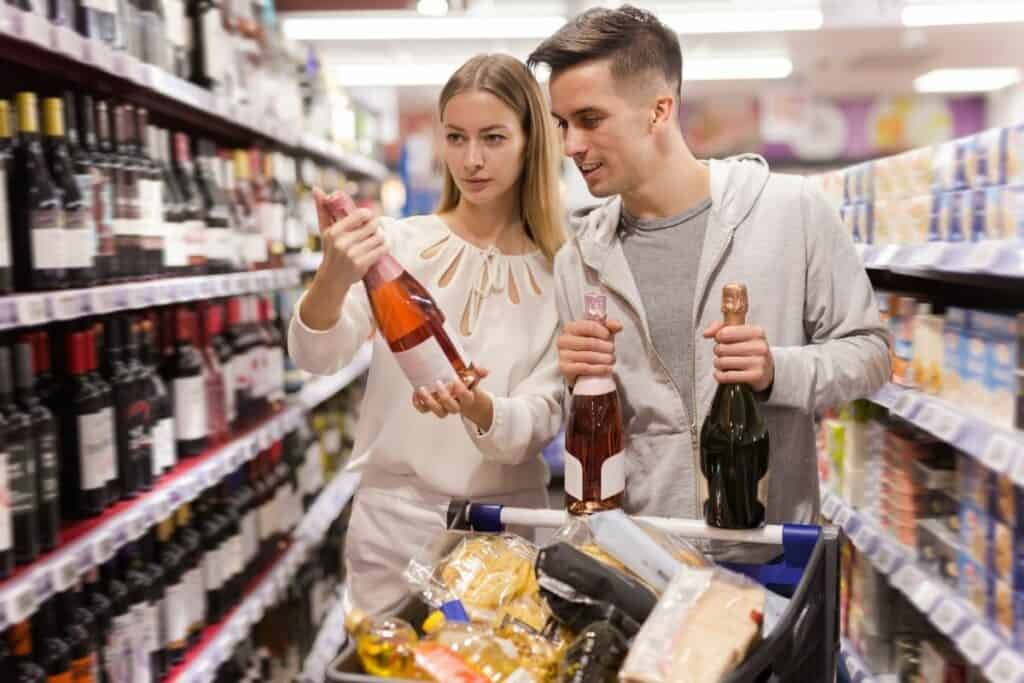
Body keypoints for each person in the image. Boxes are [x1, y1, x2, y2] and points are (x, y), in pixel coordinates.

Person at [528, 5, 890, 527]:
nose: (571, 146)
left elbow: (872, 354)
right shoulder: (578, 259)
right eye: (563, 124)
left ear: (658, 110)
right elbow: (605, 424)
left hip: (768, 544)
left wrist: (776, 371)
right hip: (644, 556)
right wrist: (575, 382)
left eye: (589, 120)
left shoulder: (790, 211)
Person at [288, 54, 565, 614]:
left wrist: (479, 406)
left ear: (531, 141)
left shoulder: (562, 271)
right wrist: (333, 275)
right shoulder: (398, 243)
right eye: (456, 138)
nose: (472, 159)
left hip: (503, 533)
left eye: (493, 137)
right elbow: (318, 355)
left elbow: (543, 414)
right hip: (394, 529)